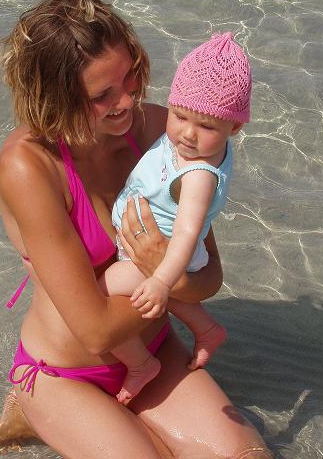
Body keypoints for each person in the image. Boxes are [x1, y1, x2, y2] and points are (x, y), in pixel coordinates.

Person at [0, 0, 273, 459]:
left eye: (131, 76)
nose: (126, 101)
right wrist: (169, 280)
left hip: (154, 352)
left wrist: (168, 272)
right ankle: (29, 407)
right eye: (102, 95)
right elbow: (95, 332)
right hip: (65, 373)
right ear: (56, 97)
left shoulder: (163, 131)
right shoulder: (29, 166)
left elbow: (209, 277)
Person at [101, 33, 250, 405]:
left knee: (99, 293)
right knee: (151, 292)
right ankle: (206, 328)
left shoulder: (198, 175)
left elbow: (185, 232)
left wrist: (162, 280)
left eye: (207, 127)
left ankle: (140, 364)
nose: (188, 134)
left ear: (234, 128)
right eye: (180, 116)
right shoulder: (195, 145)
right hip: (163, 249)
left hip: (172, 254)